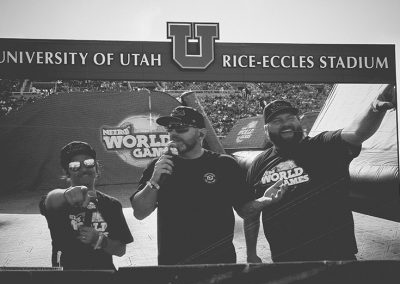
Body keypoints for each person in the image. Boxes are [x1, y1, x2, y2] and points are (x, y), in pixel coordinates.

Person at [245, 84, 396, 263]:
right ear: (266, 130)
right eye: (277, 121)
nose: (286, 124)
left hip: (335, 256)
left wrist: (374, 109)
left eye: (290, 117)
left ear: (298, 121)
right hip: (286, 259)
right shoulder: (259, 164)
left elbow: (356, 132)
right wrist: (251, 253)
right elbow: (251, 212)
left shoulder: (323, 146)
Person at [130, 106, 284, 265]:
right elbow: (140, 213)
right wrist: (154, 182)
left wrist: (263, 201)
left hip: (219, 262)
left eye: (182, 128)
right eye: (170, 129)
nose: (174, 134)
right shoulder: (159, 166)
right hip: (173, 263)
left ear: (201, 133)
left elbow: (244, 210)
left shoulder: (225, 165)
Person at [39, 141, 133, 270]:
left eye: (89, 163)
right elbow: (49, 201)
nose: (83, 169)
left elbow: (120, 250)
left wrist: (99, 239)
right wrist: (67, 194)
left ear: (96, 168)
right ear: (67, 172)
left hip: (103, 278)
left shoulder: (111, 205)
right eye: (74, 165)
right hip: (65, 279)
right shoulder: (59, 202)